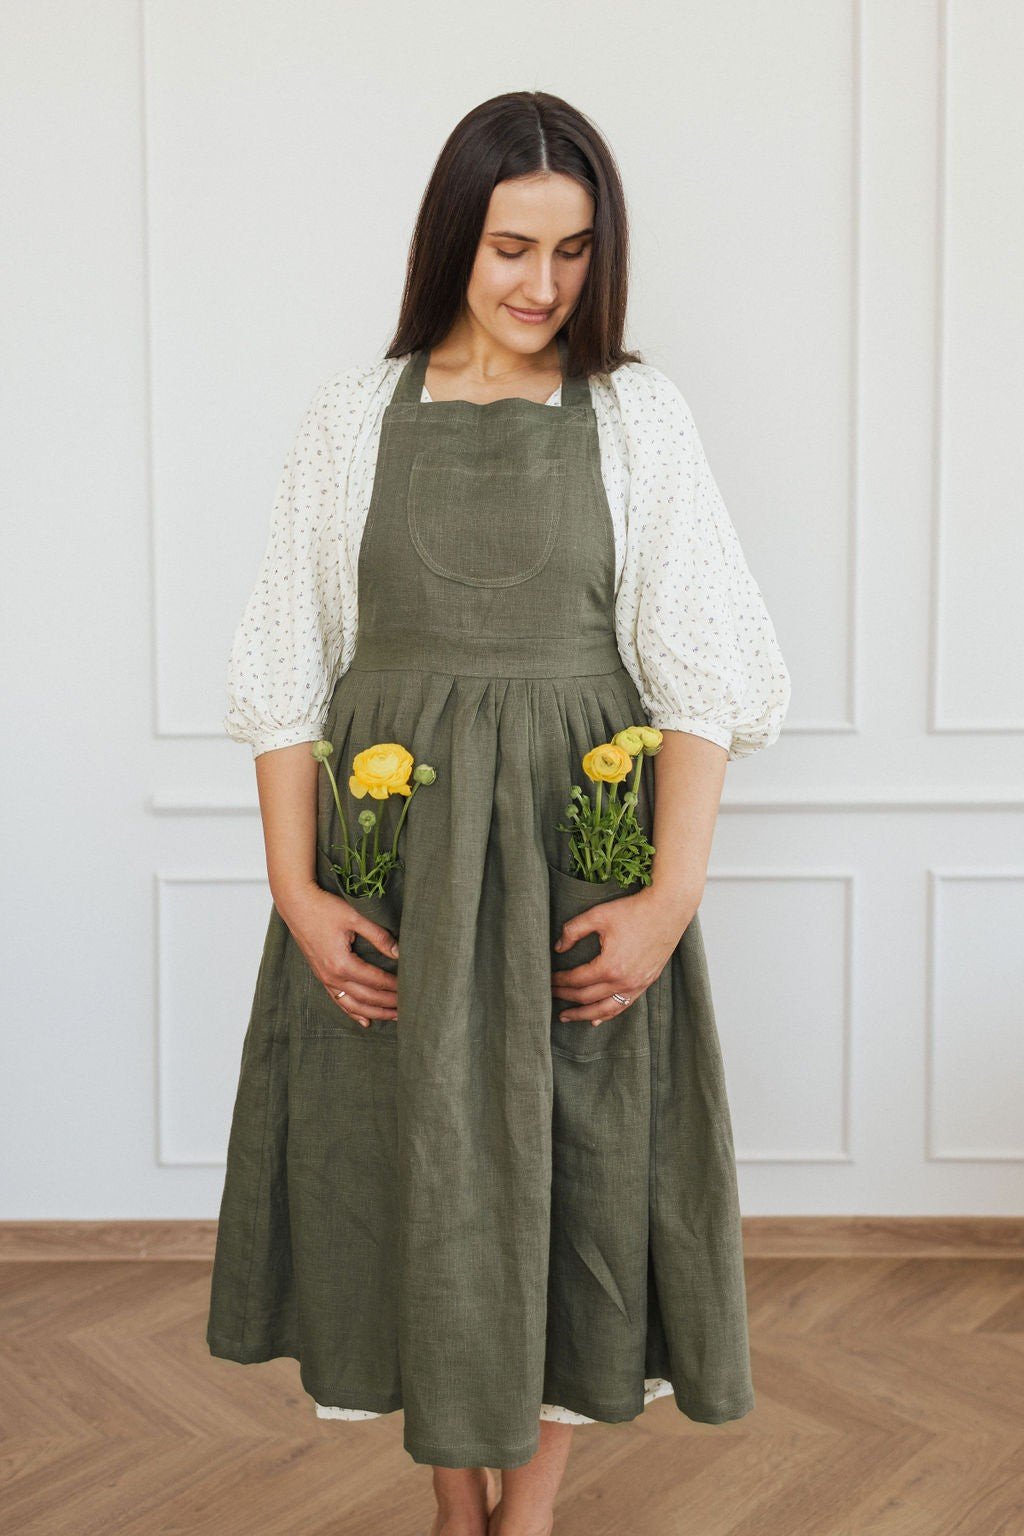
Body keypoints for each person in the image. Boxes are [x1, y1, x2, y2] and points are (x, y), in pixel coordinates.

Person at [206, 90, 791, 1536]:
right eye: (513, 248)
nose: (544, 287)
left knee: (568, 1187)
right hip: (392, 867)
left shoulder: (635, 415)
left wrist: (666, 897)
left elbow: (706, 674)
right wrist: (297, 889)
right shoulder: (351, 418)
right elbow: (284, 674)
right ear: (451, 242)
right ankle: (452, 1498)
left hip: (570, 871)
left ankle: (519, 1518)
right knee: (410, 1177)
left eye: (576, 253)